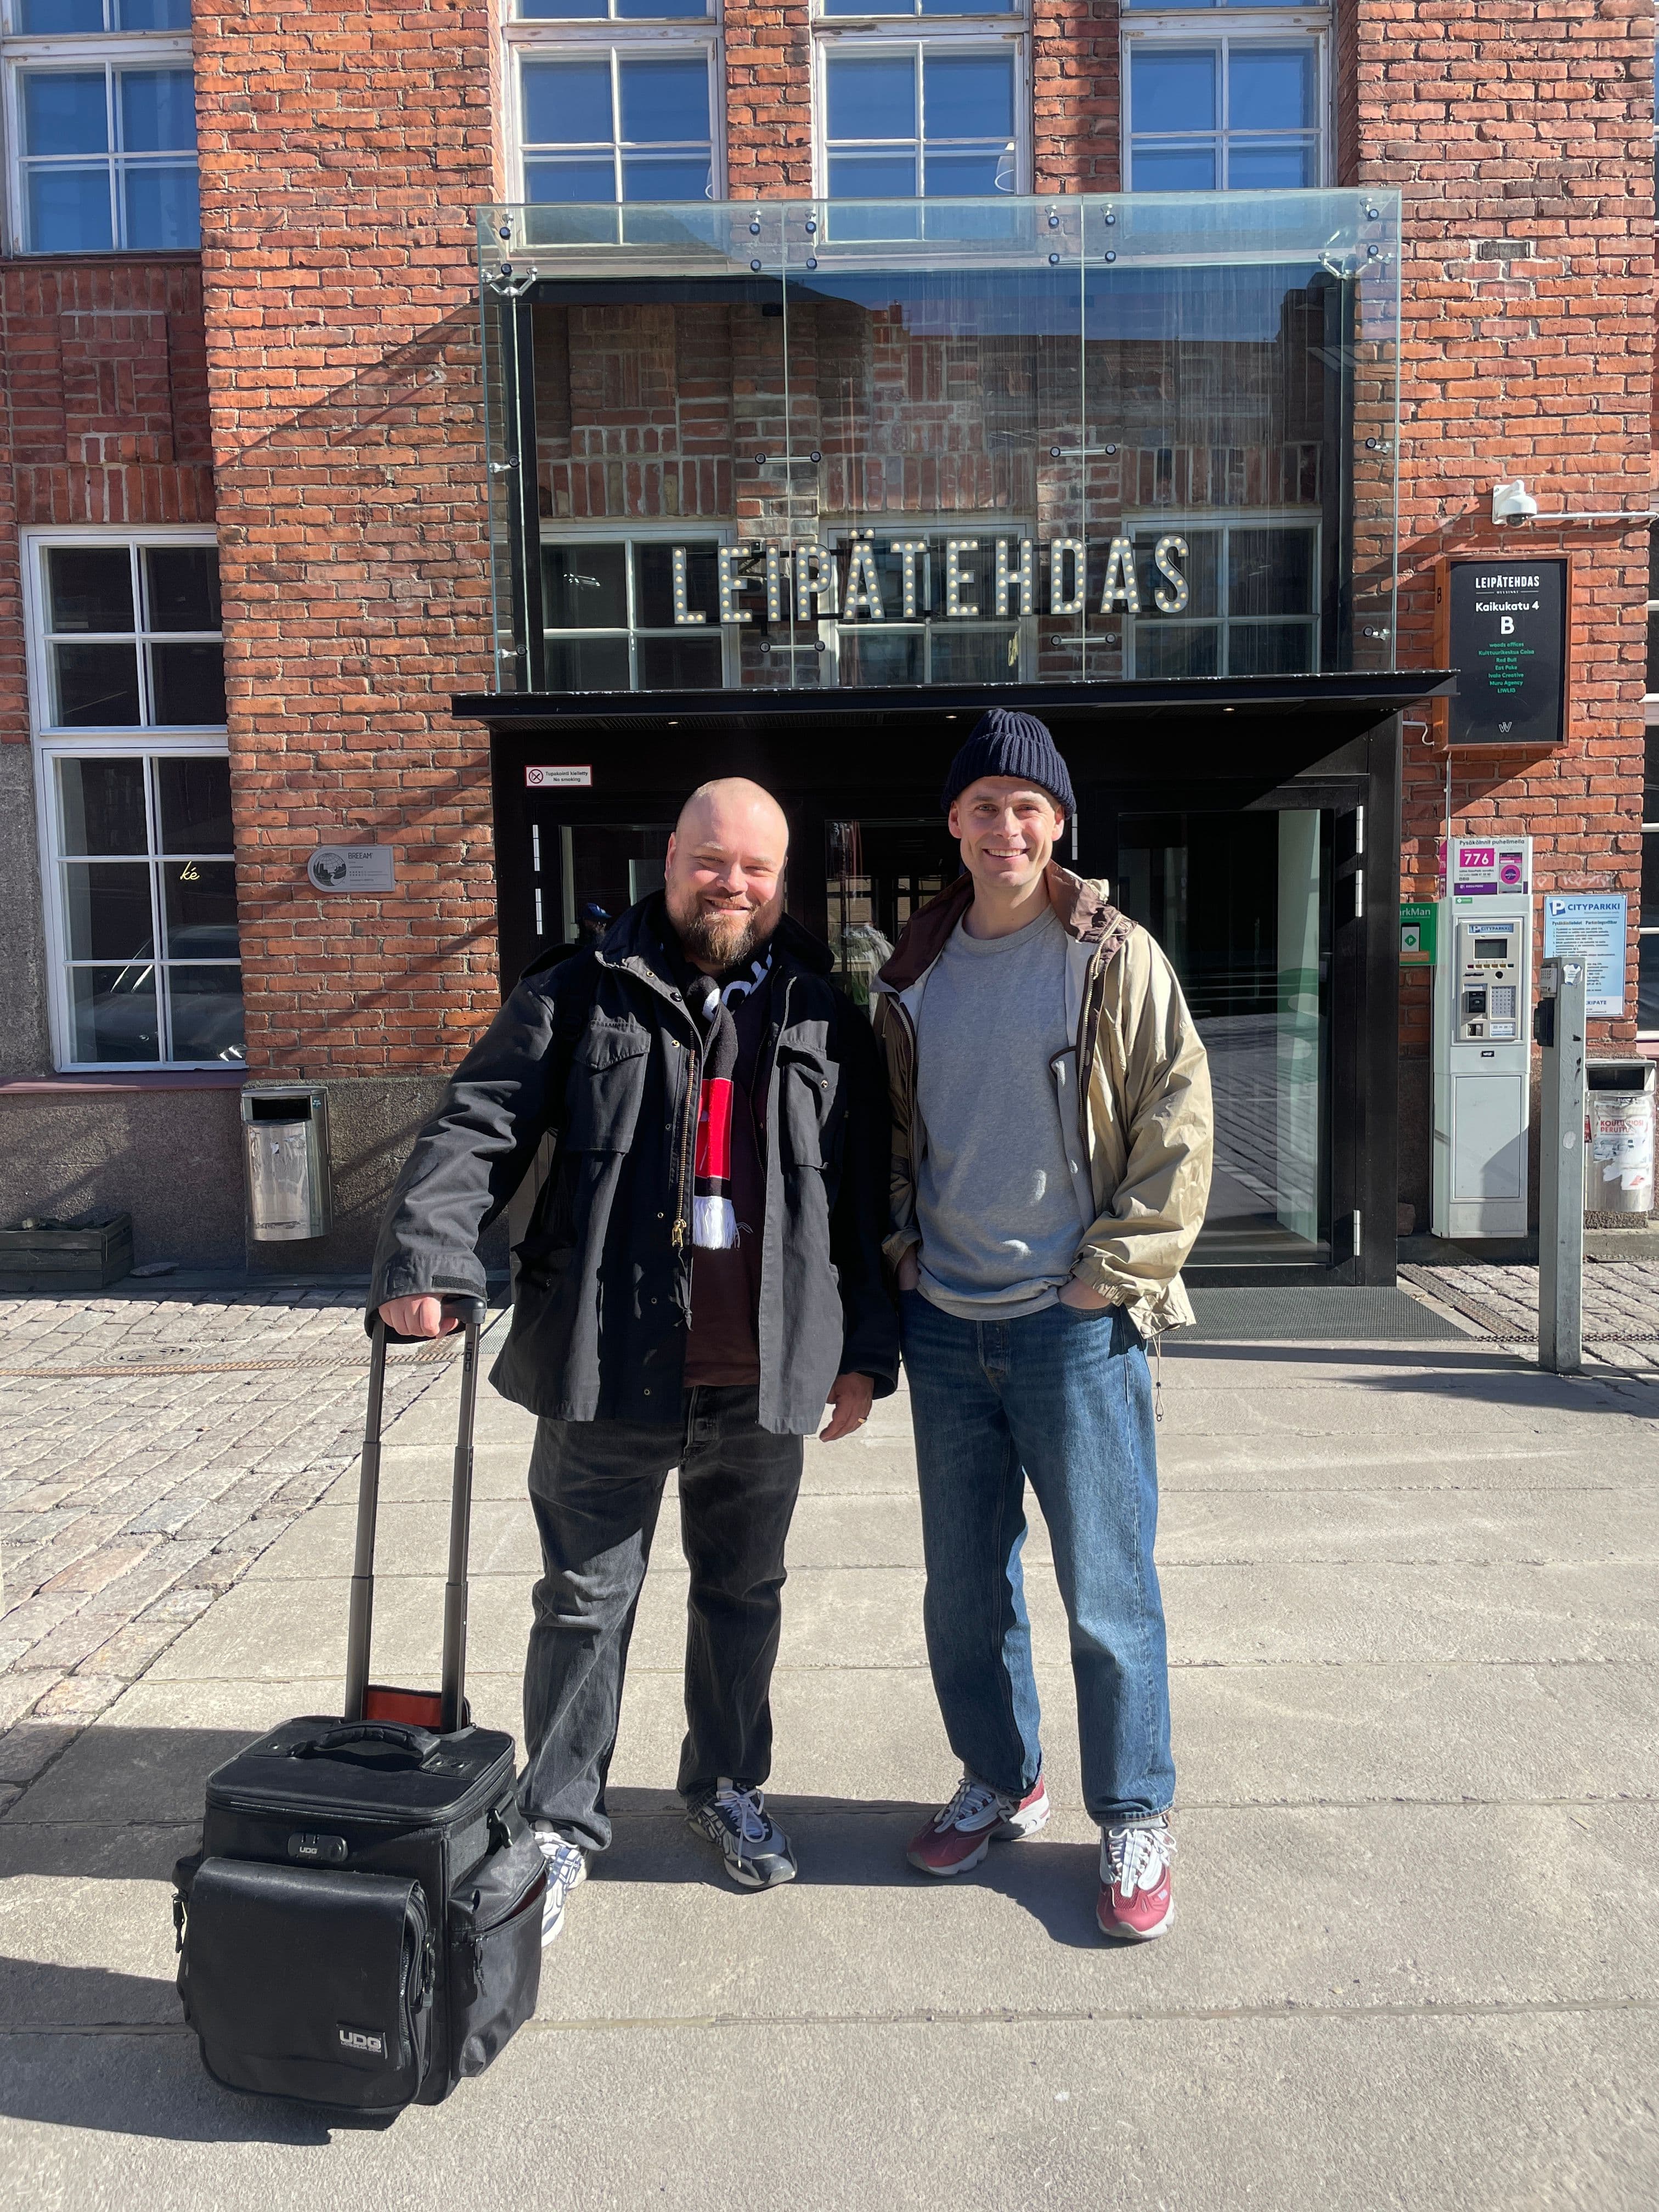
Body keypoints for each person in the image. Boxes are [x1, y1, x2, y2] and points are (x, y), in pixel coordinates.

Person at [371, 778, 898, 1939]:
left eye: (756, 868)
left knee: (744, 1596)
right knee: (582, 1604)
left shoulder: (821, 1011)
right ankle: (560, 1821)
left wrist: (862, 1350)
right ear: (671, 860)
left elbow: (861, 1199)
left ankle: (728, 1785)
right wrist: (430, 1255)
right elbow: (479, 1121)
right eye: (713, 861)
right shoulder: (579, 988)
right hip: (606, 1364)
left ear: (782, 880)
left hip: (761, 1374)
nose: (733, 885)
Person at [871, 709, 1211, 1942]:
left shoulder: (1113, 957)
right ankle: (1001, 1777)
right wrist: (904, 1253)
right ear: (954, 825)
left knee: (1107, 1590)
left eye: (1027, 807)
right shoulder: (912, 972)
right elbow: (894, 1136)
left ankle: (1133, 1812)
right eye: (984, 807)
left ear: (1057, 822)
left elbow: (1178, 1120)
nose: (1004, 827)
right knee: (965, 1591)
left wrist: (1106, 1279)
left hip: (1075, 1326)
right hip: (946, 1323)